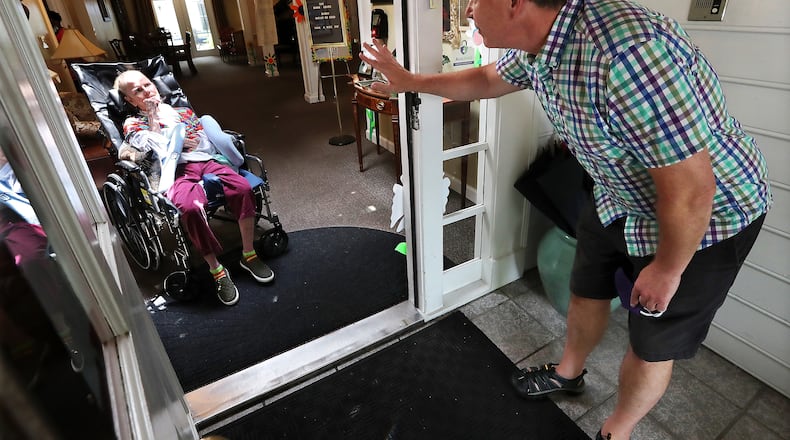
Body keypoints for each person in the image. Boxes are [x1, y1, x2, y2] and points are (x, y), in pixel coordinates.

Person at [360, 1, 772, 439]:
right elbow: (486, 78)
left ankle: (617, 431)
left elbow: (692, 190)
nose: (469, 11)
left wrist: (669, 269)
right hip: (619, 196)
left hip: (704, 220)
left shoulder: (629, 53)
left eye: (477, 0)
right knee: (586, 290)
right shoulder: (542, 41)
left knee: (652, 343)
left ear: (516, 3)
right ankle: (568, 374)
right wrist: (408, 82)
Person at [114, 70, 275, 306]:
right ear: (129, 100)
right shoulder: (133, 123)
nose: (146, 90)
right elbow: (152, 149)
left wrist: (190, 142)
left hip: (206, 161)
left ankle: (248, 255)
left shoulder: (182, 111)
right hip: (173, 171)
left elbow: (204, 139)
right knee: (189, 208)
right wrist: (153, 119)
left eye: (147, 84)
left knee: (241, 188)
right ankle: (217, 270)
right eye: (137, 90)